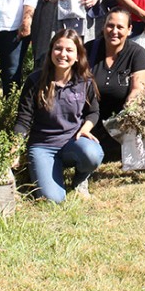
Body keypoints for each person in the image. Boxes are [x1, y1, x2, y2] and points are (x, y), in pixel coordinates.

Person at [14, 29, 104, 202]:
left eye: (69, 50)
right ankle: (49, 170)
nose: (63, 54)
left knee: (92, 154)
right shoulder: (35, 81)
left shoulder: (85, 81)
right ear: (51, 51)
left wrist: (85, 129)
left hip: (72, 141)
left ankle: (80, 179)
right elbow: (24, 119)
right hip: (43, 146)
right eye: (58, 48)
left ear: (78, 56)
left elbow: (93, 112)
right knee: (53, 199)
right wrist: (14, 147)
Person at [91, 8, 145, 160]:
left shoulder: (137, 53)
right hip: (91, 120)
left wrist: (131, 105)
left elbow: (140, 88)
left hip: (121, 123)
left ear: (129, 29)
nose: (114, 31)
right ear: (103, 27)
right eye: (110, 25)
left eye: (120, 27)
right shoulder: (89, 50)